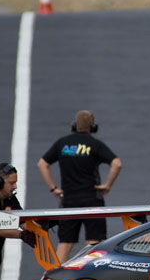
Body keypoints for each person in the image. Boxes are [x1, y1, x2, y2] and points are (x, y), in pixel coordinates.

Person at [37, 110, 122, 264]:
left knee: (65, 243)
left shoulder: (62, 143)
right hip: (92, 199)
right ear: (93, 127)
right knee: (93, 244)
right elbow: (116, 164)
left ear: (74, 125)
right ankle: (88, 277)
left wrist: (53, 188)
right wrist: (107, 185)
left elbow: (42, 164)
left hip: (69, 200)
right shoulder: (95, 145)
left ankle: (54, 279)